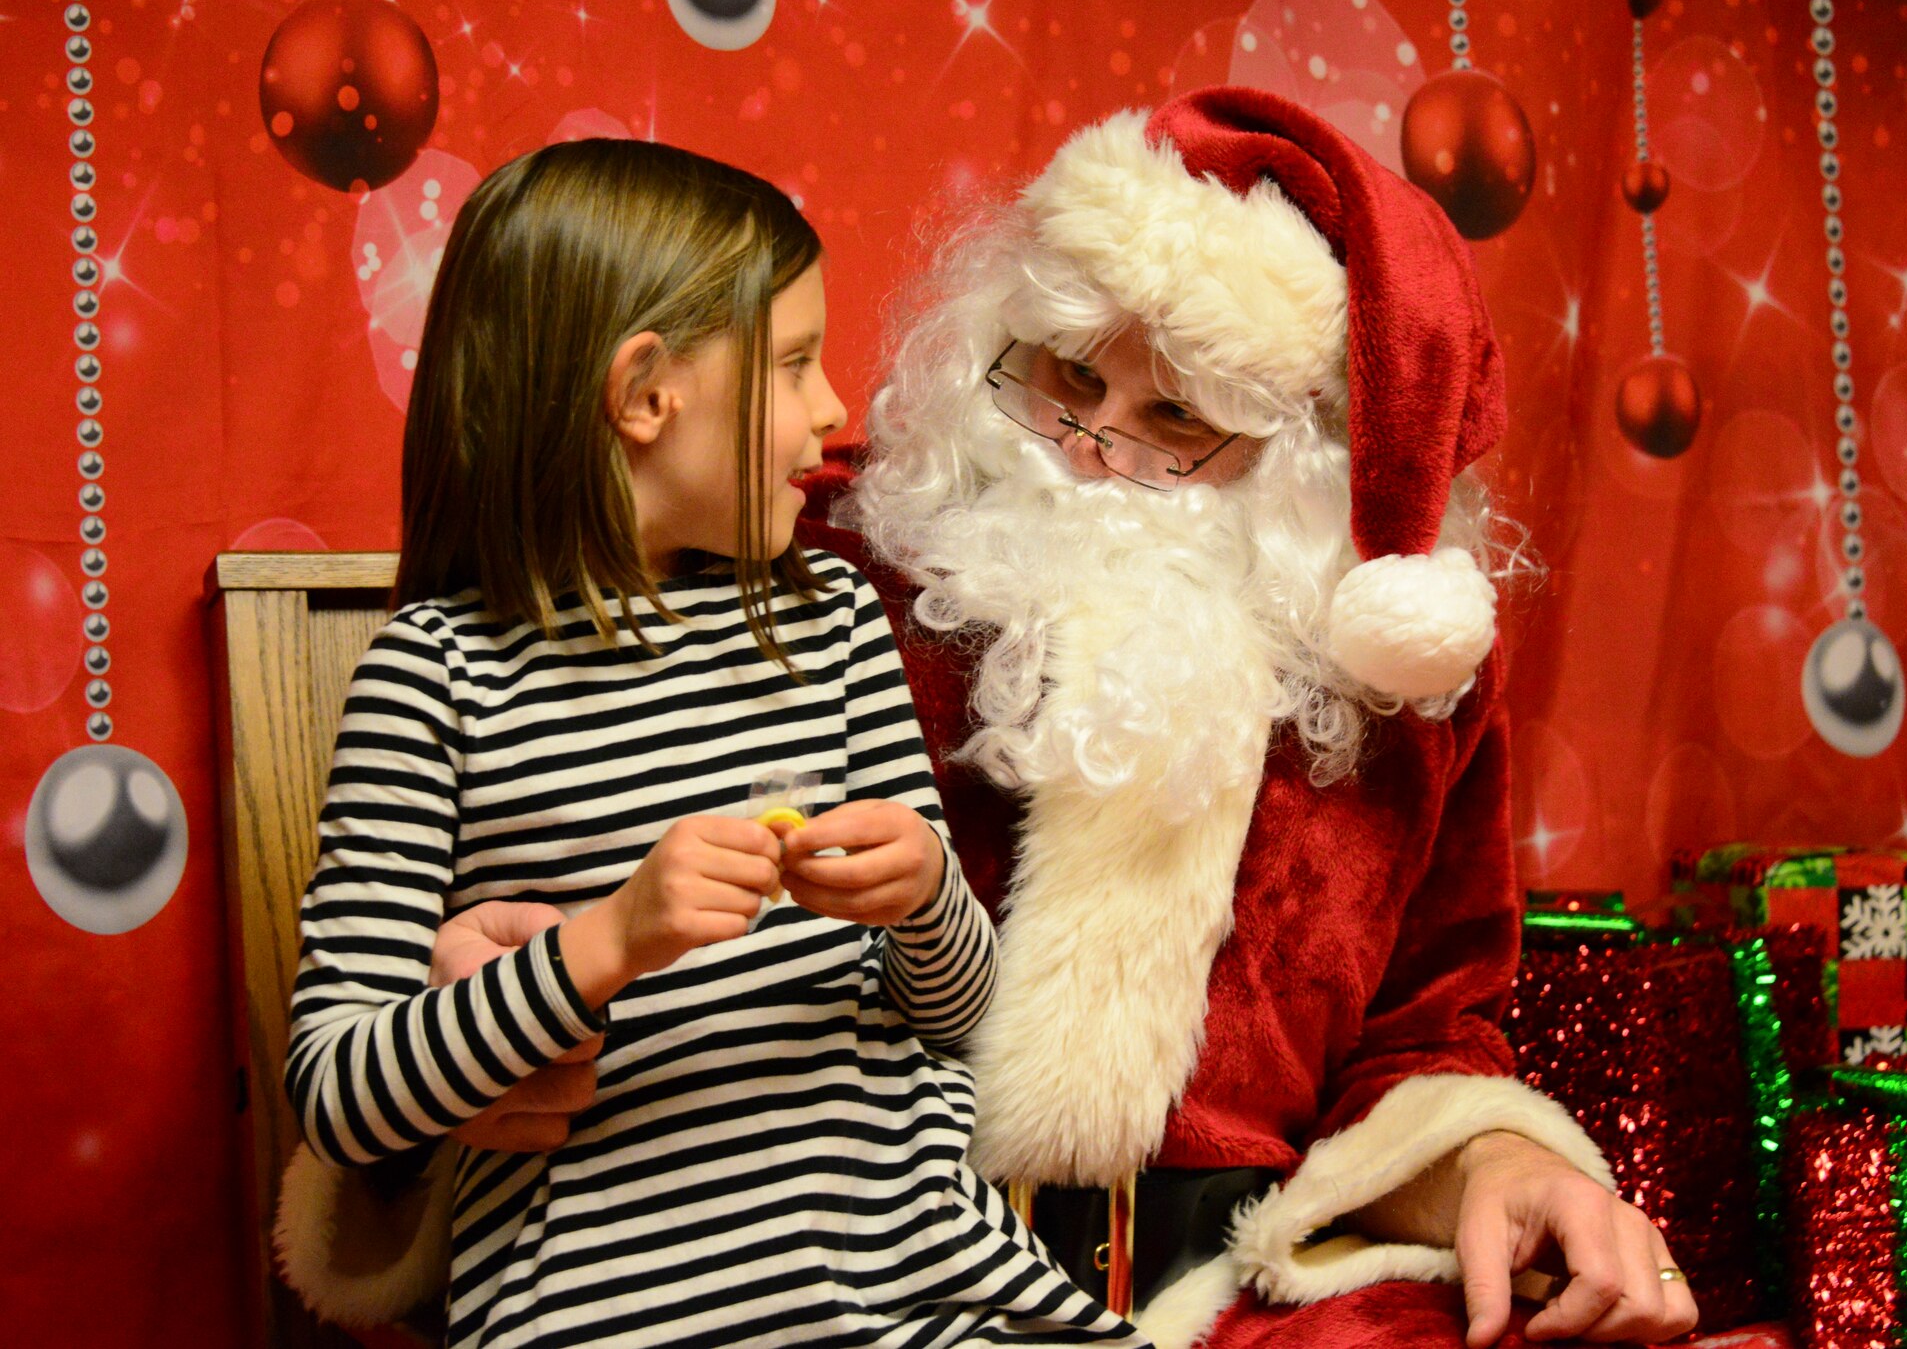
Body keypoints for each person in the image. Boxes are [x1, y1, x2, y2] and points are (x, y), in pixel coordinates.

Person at [352, 92, 1706, 1347]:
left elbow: (1425, 1030)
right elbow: (560, 659)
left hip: (1232, 1282)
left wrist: (1495, 1158)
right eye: (1060, 375)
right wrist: (477, 968)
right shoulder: (810, 553)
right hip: (828, 1258)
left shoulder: (1404, 682)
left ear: (1312, 459)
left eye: (1176, 414)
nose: (1089, 447)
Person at [279, 137, 1147, 1349]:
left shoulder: (832, 622)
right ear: (644, 395)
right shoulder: (437, 676)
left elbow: (970, 1020)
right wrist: (606, 940)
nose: (833, 407)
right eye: (793, 362)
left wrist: (923, 892)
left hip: (930, 1296)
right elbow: (338, 1096)